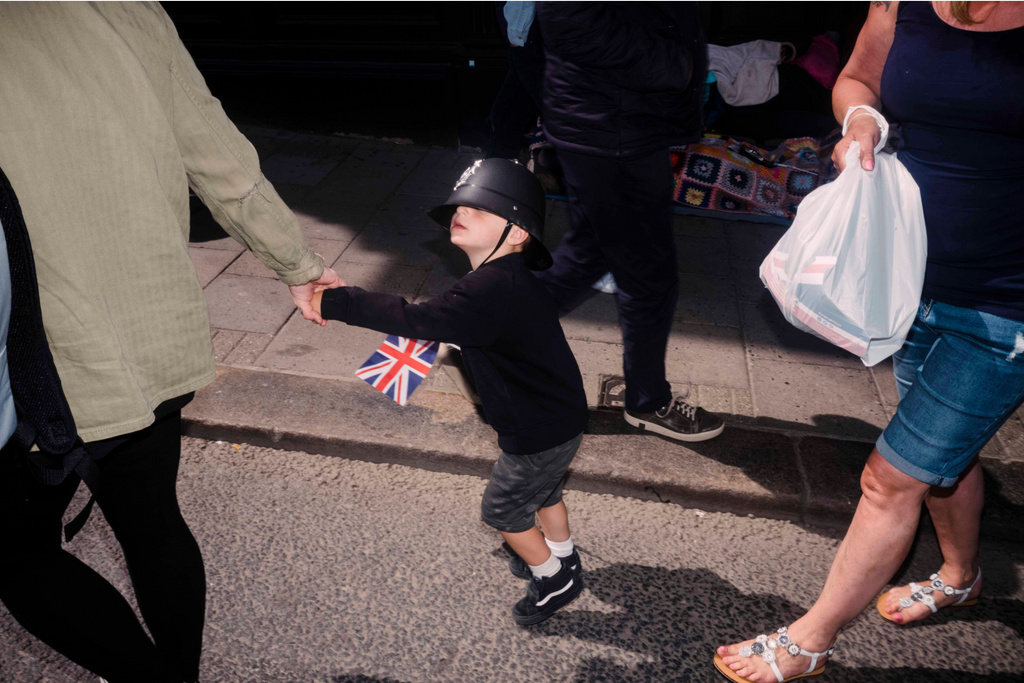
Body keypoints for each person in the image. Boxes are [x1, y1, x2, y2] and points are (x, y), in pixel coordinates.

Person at [0, 3, 341, 682]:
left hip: (40, 355)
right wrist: (297, 264)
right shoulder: (124, 4)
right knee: (154, 522)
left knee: (17, 555)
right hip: (150, 325)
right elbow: (215, 152)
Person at [714, 2, 1024, 681]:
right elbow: (856, 77)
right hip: (907, 278)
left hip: (1006, 309)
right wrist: (862, 118)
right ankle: (960, 575)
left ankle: (809, 640)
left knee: (891, 476)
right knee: (943, 458)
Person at [310, 159, 589, 625]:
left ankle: (554, 577)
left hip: (534, 428)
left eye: (479, 209)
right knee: (544, 491)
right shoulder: (510, 280)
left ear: (517, 233)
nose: (461, 212)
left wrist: (337, 300)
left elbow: (413, 318)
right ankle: (562, 553)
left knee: (503, 510)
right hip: (560, 418)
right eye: (459, 205)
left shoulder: (486, 290)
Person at [534, 2, 725, 442]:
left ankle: (480, 325)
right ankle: (647, 401)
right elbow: (570, 21)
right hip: (613, 127)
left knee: (588, 251)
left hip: (615, 120)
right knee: (649, 275)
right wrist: (679, 63)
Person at [487, 1, 545, 160]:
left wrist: (517, 32)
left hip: (527, 37)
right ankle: (495, 179)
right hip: (527, 37)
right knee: (506, 117)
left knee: (562, 119)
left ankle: (495, 179)